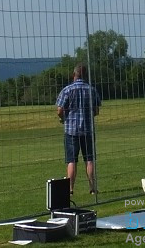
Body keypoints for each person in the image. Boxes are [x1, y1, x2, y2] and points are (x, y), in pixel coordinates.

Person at [55, 63, 101, 197]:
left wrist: (63, 118)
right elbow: (96, 110)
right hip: (88, 130)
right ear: (85, 75)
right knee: (89, 159)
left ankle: (70, 188)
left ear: (74, 75)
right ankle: (92, 187)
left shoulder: (67, 90)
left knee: (71, 160)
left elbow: (59, 110)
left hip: (71, 130)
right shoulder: (91, 90)